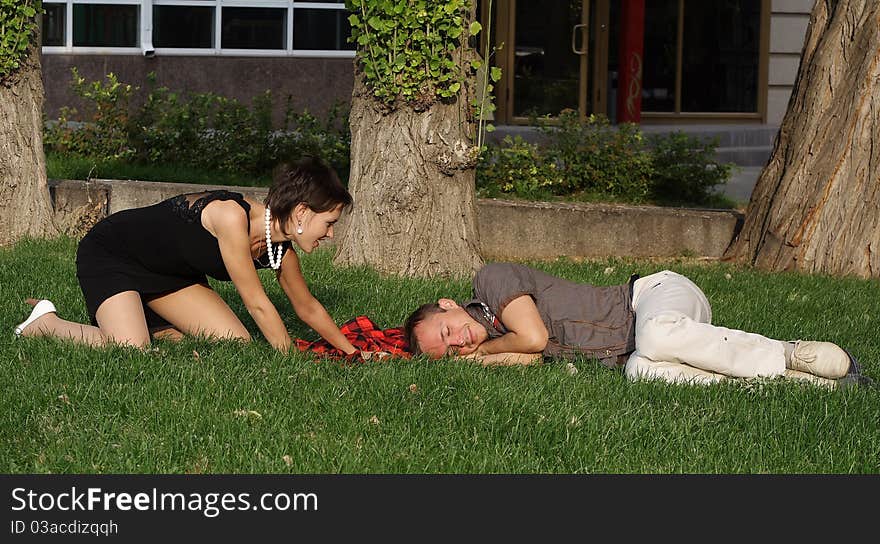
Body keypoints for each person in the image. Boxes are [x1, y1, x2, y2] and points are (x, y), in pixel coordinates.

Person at [14, 156, 362, 356]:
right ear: (301, 212)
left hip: (170, 276)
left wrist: (352, 354)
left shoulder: (279, 251)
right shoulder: (231, 216)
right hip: (115, 254)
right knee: (131, 351)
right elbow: (256, 302)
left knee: (234, 344)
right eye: (329, 223)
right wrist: (290, 362)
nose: (330, 234)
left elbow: (308, 307)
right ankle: (45, 323)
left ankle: (145, 320)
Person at [404, 262, 867, 387]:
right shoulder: (496, 343)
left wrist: (480, 353)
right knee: (644, 370)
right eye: (449, 352)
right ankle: (792, 383)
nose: (458, 341)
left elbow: (536, 339)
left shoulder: (491, 280)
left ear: (450, 305)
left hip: (655, 296)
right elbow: (529, 361)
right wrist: (480, 364)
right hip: (641, 347)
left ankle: (789, 351)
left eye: (448, 331)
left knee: (656, 334)